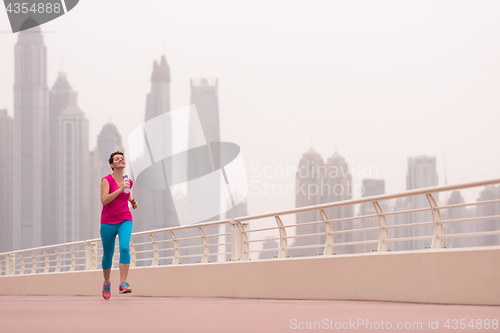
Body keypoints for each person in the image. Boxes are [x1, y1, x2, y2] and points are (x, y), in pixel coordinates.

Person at [100, 151, 138, 300]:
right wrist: (120, 188)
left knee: (124, 247)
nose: (121, 160)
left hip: (125, 219)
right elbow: (104, 200)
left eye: (122, 158)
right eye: (117, 159)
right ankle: (107, 283)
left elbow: (127, 194)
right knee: (108, 254)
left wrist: (132, 201)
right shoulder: (106, 180)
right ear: (112, 165)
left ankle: (123, 283)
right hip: (108, 222)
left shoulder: (128, 181)